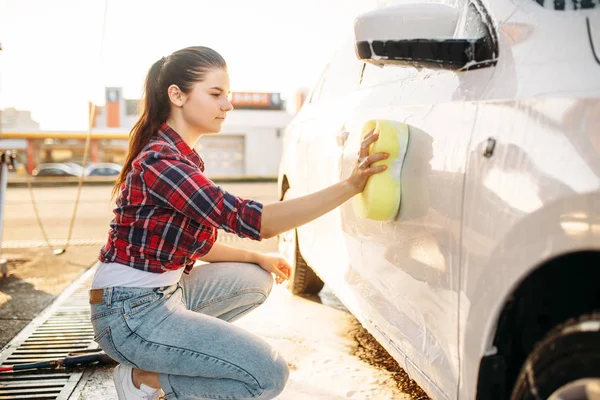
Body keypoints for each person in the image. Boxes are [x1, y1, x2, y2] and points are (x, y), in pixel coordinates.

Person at [89, 46, 389, 400]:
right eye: (215, 94)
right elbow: (255, 221)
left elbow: (196, 244)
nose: (227, 105)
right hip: (130, 315)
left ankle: (168, 354)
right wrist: (351, 186)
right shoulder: (162, 162)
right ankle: (142, 379)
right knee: (265, 376)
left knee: (255, 279)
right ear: (177, 95)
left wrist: (258, 258)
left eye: (227, 95)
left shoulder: (180, 156)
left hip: (160, 296)